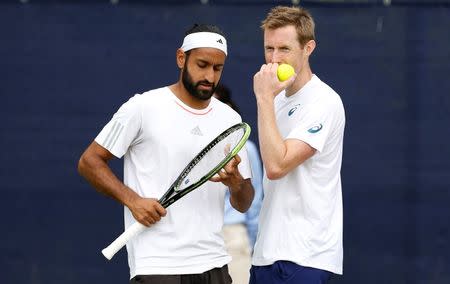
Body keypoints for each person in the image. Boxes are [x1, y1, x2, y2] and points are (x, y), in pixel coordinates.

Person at [77, 24, 255, 284]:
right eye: (202, 64)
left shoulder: (230, 119)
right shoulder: (143, 107)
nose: (210, 76)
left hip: (215, 263)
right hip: (157, 265)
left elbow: (244, 203)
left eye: (217, 68)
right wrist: (133, 201)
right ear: (181, 58)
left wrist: (236, 183)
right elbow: (89, 161)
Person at [250, 6, 345, 284]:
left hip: (306, 256)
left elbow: (277, 166)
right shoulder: (275, 99)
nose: (274, 59)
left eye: (284, 49)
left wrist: (263, 99)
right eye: (269, 48)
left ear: (308, 48)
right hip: (265, 254)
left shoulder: (324, 101)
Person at [213, 84, 264, 284]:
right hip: (195, 241)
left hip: (233, 238)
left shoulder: (246, 149)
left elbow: (255, 200)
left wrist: (252, 244)